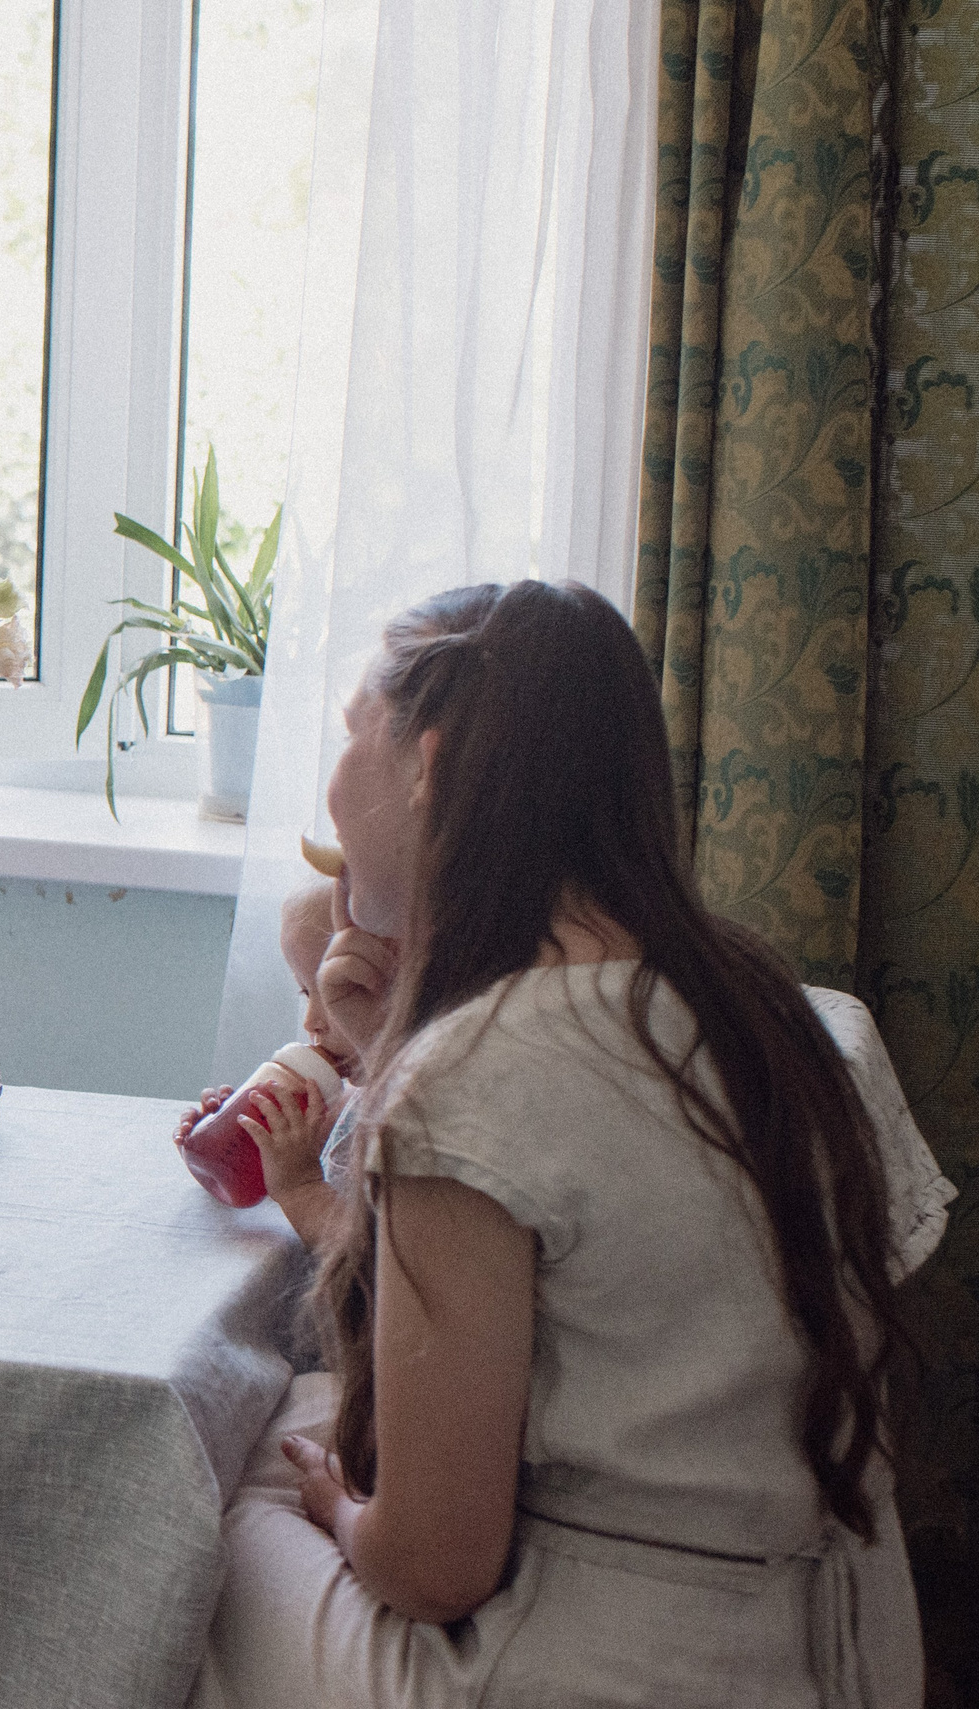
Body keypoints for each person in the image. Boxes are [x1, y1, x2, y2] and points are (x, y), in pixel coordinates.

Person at [193, 581, 928, 1707]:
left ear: (429, 763)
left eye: (349, 734)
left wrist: (341, 1509)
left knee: (214, 1494)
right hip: (842, 1647)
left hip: (612, 1665)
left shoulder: (475, 1070)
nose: (331, 789)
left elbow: (435, 1566)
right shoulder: (763, 1003)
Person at [175, 875, 374, 1249]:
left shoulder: (410, 1119)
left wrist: (301, 1187)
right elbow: (306, 1160)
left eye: (337, 992)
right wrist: (243, 1147)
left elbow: (375, 1255)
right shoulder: (350, 1104)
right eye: (306, 993)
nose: (311, 1022)